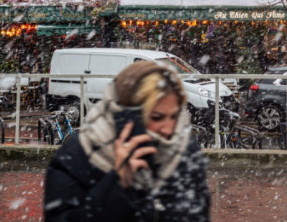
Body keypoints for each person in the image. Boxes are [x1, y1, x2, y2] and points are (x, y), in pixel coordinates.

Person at [44, 60, 210, 221]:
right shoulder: (78, 155)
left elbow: (197, 214)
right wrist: (118, 183)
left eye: (174, 116)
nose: (169, 129)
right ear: (125, 116)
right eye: (157, 117)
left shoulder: (184, 149)